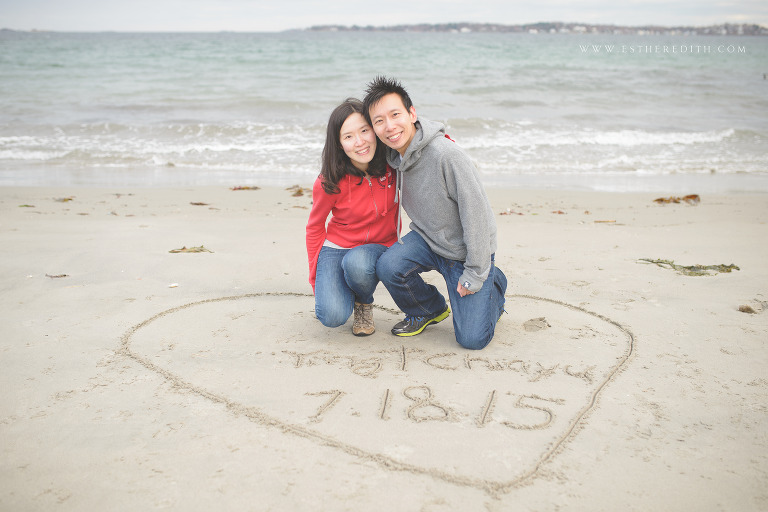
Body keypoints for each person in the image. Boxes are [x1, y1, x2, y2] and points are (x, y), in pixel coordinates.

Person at [363, 76, 507, 350]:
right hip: (427, 240)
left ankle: (494, 282)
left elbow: (477, 214)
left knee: (472, 339)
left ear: (412, 113)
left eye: (395, 115)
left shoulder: (446, 155)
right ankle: (428, 309)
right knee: (388, 266)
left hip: (465, 253)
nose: (389, 126)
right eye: (379, 121)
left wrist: (476, 272)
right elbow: (354, 150)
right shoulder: (393, 155)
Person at [306, 98, 399, 336]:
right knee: (331, 316)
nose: (360, 142)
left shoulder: (393, 165)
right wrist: (316, 277)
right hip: (337, 247)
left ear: (374, 130)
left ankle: (363, 300)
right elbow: (315, 227)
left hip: (379, 246)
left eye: (364, 131)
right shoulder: (329, 180)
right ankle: (346, 287)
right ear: (338, 144)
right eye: (348, 136)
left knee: (357, 263)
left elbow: (418, 142)